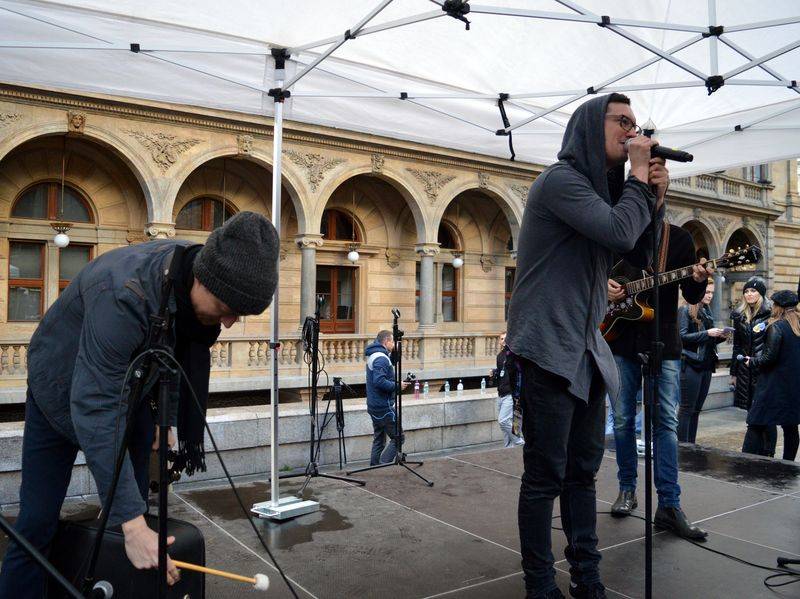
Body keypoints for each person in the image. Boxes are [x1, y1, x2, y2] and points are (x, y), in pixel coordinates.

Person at [0, 212, 280, 597]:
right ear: (202, 279)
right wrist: (132, 527)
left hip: (130, 395)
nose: (229, 322)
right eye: (226, 307)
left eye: (239, 313)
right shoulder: (124, 293)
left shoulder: (190, 270)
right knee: (37, 525)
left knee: (131, 516)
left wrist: (166, 421)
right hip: (58, 396)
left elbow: (172, 356)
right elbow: (96, 405)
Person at [507, 92, 665, 599]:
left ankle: (587, 576)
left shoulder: (602, 194)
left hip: (587, 351)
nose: (633, 132)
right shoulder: (561, 181)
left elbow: (638, 251)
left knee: (581, 474)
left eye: (636, 124)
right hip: (547, 346)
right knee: (544, 476)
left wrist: (655, 198)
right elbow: (619, 231)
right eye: (623, 122)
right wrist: (637, 179)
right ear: (590, 127)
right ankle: (539, 584)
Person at [606, 226, 712, 542]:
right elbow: (592, 271)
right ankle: (627, 489)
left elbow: (691, 295)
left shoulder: (677, 239)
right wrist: (603, 287)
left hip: (663, 341)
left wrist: (699, 279)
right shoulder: (618, 232)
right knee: (622, 420)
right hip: (620, 339)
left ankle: (669, 503)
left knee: (666, 422)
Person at [741, 290, 800, 461]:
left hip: (772, 385)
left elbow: (768, 357)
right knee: (790, 426)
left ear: (778, 307)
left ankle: (744, 461)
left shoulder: (777, 327)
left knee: (756, 421)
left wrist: (752, 361)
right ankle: (788, 464)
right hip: (794, 385)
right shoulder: (797, 326)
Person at [677, 279, 728, 443]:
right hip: (690, 363)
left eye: (712, 292)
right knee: (687, 409)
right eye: (707, 292)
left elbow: (705, 342)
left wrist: (720, 337)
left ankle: (690, 445)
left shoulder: (706, 310)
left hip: (706, 364)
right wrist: (707, 333)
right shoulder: (685, 309)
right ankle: (682, 447)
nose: (710, 296)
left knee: (697, 410)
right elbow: (681, 337)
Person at [730, 277, 774, 453]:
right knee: (751, 411)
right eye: (746, 291)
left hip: (763, 369)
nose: (749, 294)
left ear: (761, 294)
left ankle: (768, 451)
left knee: (766, 414)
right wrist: (733, 372)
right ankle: (755, 453)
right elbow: (737, 346)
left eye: (753, 291)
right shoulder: (739, 315)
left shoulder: (769, 314)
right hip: (744, 370)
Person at [365, 330, 409, 465]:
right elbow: (379, 381)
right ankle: (384, 465)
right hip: (384, 407)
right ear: (386, 341)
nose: (394, 344)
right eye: (393, 341)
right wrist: (397, 385)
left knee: (379, 439)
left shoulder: (375, 354)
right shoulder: (381, 358)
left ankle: (374, 467)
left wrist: (396, 351)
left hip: (374, 405)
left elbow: (392, 362)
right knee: (398, 438)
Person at [490, 332, 524, 448]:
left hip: (512, 393)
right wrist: (495, 372)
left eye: (505, 338)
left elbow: (519, 373)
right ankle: (508, 448)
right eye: (501, 339)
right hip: (501, 393)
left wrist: (518, 394)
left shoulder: (515, 354)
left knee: (504, 421)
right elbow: (502, 373)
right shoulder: (500, 356)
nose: (503, 340)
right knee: (507, 423)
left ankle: (519, 442)